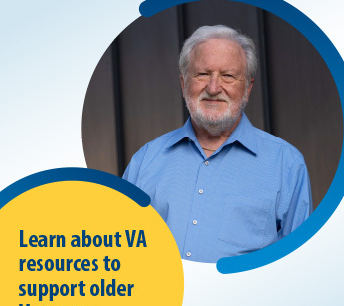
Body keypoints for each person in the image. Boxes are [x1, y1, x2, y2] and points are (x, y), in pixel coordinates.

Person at [123, 25, 312, 263]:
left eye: (228, 76)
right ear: (183, 84)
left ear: (248, 88)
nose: (213, 88)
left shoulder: (286, 164)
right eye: (202, 74)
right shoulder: (145, 160)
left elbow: (298, 264)